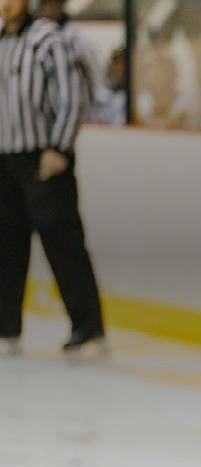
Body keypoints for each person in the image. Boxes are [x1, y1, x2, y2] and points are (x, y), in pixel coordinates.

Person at [0, 0, 105, 356]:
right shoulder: (2, 42)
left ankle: (88, 329)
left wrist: (60, 147)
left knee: (63, 241)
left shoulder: (48, 39)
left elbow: (73, 97)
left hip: (43, 157)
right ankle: (6, 328)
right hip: (5, 159)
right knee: (6, 244)